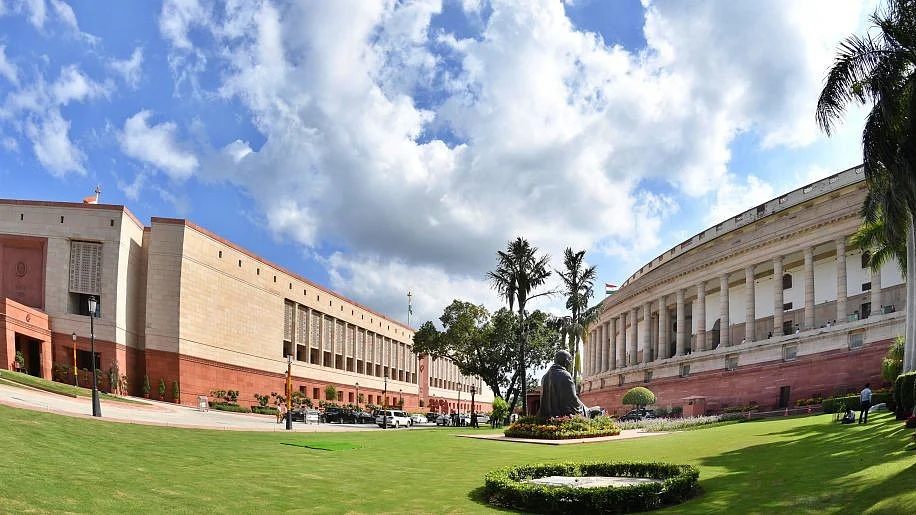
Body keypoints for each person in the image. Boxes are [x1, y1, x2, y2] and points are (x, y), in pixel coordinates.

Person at [537, 350, 587, 419]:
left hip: (545, 416)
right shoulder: (565, 375)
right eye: (570, 360)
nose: (570, 363)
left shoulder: (544, 377)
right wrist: (586, 409)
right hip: (564, 415)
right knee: (597, 411)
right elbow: (573, 400)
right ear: (566, 361)